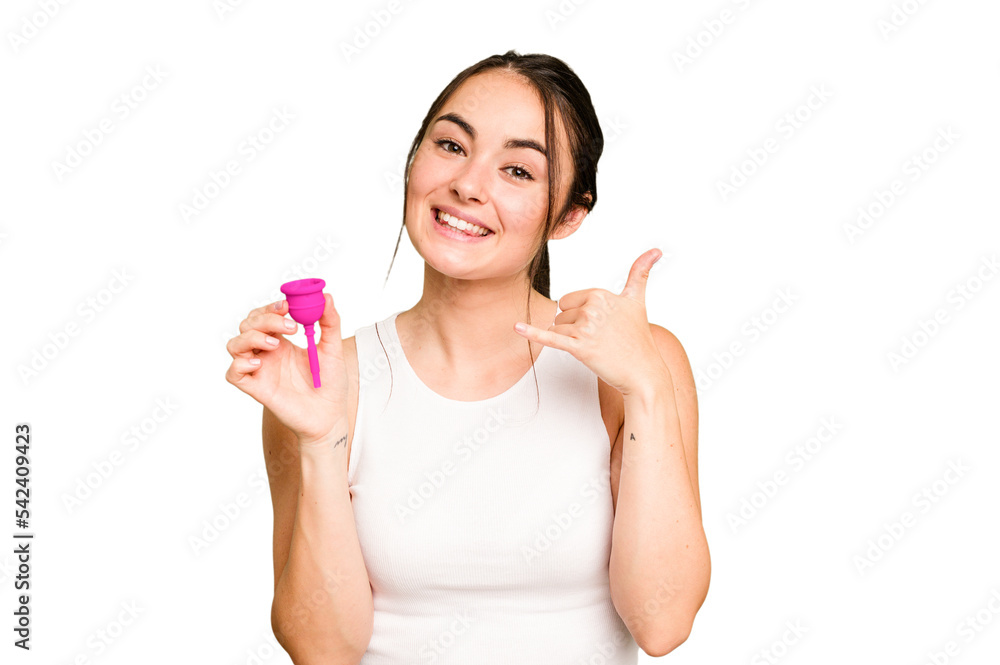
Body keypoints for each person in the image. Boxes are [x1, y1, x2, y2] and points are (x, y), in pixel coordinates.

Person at [225, 50, 710, 664]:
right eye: (452, 146)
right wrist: (321, 440)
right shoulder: (323, 381)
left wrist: (647, 386)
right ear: (413, 163)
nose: (468, 184)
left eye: (518, 171)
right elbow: (323, 653)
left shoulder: (632, 365)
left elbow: (662, 623)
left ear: (569, 214)